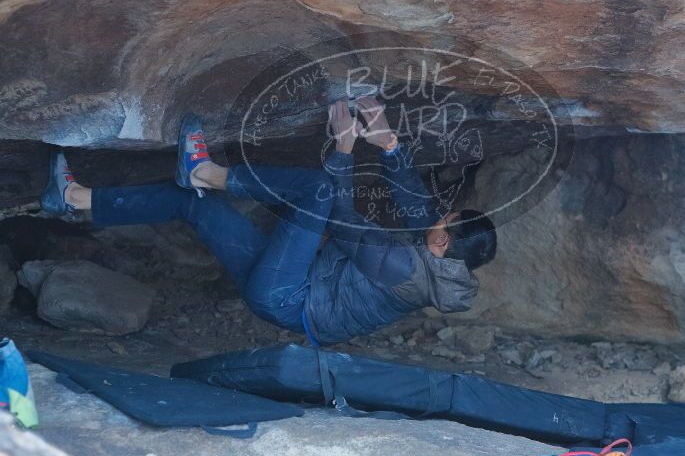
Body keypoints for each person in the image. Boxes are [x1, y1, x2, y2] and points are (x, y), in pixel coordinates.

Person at [39, 96, 497, 345]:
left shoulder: (402, 267)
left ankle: (205, 171)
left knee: (318, 189)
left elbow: (337, 215)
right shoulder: (438, 258)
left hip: (287, 296)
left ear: (442, 244)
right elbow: (416, 203)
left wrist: (344, 146)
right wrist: (389, 143)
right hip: (299, 283)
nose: (437, 216)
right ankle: (73, 198)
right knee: (194, 205)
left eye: (445, 219)